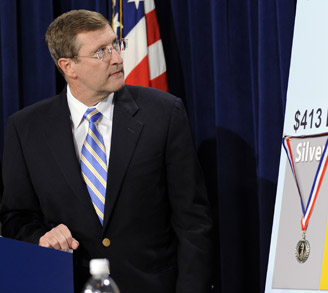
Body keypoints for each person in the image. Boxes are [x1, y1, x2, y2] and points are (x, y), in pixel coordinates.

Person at [0, 9, 213, 292]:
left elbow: (192, 221)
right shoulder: (25, 128)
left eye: (115, 44)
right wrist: (42, 236)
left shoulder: (164, 113)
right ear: (68, 66)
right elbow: (16, 218)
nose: (117, 58)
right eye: (100, 52)